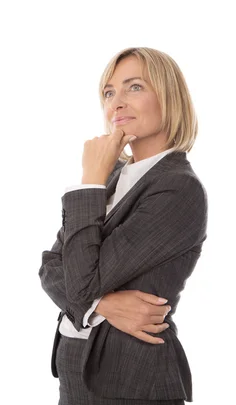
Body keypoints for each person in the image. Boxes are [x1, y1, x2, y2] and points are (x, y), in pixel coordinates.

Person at [39, 47, 208, 404]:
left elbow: (84, 282)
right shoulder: (112, 176)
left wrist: (89, 182)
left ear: (169, 97)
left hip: (131, 383)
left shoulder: (178, 187)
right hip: (76, 372)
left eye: (134, 87)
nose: (116, 102)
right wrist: (103, 306)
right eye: (109, 92)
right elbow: (51, 266)